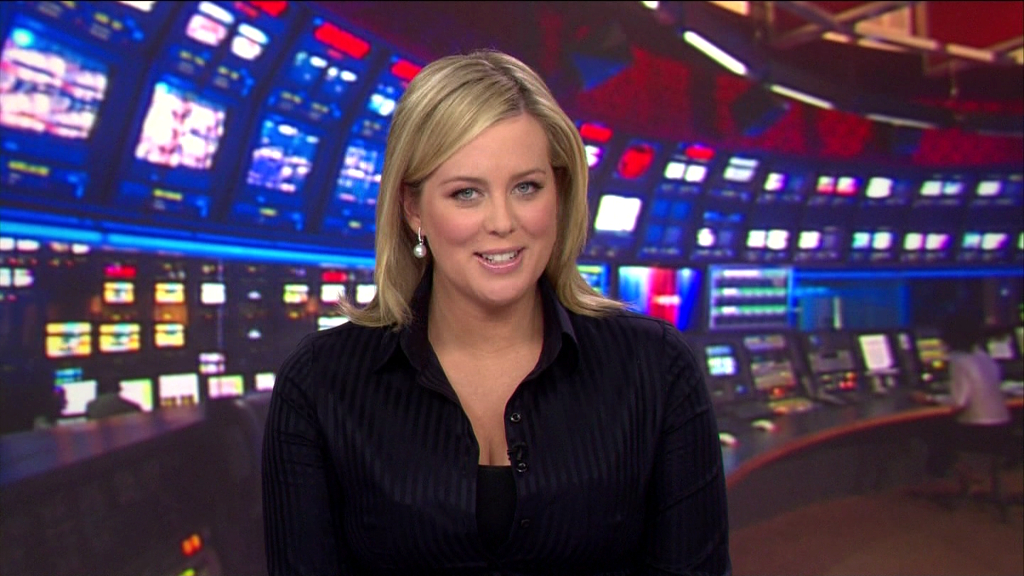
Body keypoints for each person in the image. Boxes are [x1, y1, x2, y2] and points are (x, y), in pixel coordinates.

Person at [262, 49, 731, 575]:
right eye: (467, 193)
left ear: (560, 193)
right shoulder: (320, 383)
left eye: (526, 187)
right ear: (413, 208)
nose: (503, 222)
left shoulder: (656, 367)